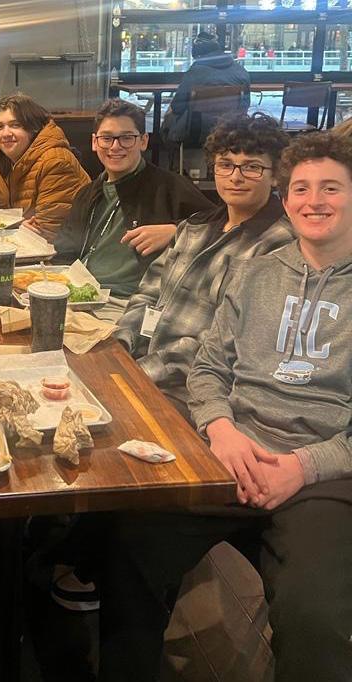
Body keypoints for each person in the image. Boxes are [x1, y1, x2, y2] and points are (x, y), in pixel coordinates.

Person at [98, 130, 352, 682]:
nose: (314, 201)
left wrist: (302, 466)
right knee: (128, 545)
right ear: (286, 196)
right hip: (231, 450)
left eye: (331, 188)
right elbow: (210, 368)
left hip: (322, 472)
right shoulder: (257, 271)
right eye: (302, 188)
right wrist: (222, 431)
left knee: (316, 615)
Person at [115, 112, 294, 413]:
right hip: (143, 369)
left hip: (197, 393)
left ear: (275, 175)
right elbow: (148, 293)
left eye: (252, 167)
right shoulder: (193, 227)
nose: (235, 177)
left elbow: (227, 343)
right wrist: (121, 344)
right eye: (226, 164)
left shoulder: (279, 246)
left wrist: (140, 372)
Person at [54, 98, 213, 322]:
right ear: (94, 142)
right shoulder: (88, 193)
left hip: (131, 304)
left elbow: (224, 227)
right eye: (107, 138)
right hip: (80, 296)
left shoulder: (169, 187)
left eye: (127, 138)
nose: (115, 147)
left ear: (143, 141)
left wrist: (177, 231)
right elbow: (65, 248)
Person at [0, 93, 91, 241]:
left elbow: (48, 232)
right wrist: (17, 225)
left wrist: (9, 226)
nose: (6, 133)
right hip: (9, 244)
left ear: (33, 128)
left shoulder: (56, 162)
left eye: (15, 125)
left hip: (60, 251)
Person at [162, 32, 250, 144]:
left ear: (199, 56)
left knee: (168, 117)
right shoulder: (241, 71)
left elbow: (177, 107)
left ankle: (164, 151)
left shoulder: (195, 72)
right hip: (229, 131)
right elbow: (244, 105)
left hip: (195, 132)